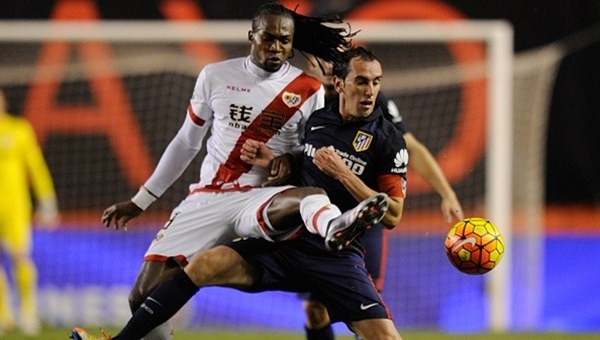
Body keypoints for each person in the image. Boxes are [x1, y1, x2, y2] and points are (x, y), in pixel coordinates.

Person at [72, 46, 407, 340]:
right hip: (287, 242)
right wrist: (275, 161)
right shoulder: (318, 119)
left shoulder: (388, 139)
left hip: (335, 256)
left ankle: (336, 227)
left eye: (376, 82)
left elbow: (392, 214)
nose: (370, 90)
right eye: (362, 81)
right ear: (340, 83)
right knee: (205, 264)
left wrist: (344, 174)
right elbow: (299, 163)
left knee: (383, 336)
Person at [301, 56, 464, 340]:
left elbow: (411, 147)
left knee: (366, 313)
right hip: (317, 220)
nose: (370, 88)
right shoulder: (306, 97)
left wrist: (446, 193)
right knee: (315, 309)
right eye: (322, 57)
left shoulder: (374, 104)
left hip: (363, 220)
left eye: (375, 82)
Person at [0, 89, 59, 336]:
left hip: (14, 206)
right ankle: (4, 317)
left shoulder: (18, 129)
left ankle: (28, 312)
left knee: (20, 257)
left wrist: (47, 200)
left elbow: (35, 165)